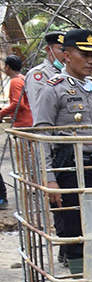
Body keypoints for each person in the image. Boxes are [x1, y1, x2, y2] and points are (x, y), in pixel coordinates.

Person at [33, 28, 92, 282]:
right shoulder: (53, 88)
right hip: (69, 170)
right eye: (85, 54)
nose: (91, 60)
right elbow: (42, 135)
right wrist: (49, 178)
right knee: (73, 230)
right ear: (67, 55)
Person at [0, 55, 32, 208]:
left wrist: (1, 113)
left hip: (22, 123)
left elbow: (17, 103)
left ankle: (30, 184)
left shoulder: (15, 81)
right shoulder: (24, 79)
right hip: (29, 122)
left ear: (7, 67)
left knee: (25, 157)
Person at [25, 32, 64, 117]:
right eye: (62, 49)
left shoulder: (67, 73)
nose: (65, 54)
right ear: (48, 50)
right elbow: (39, 109)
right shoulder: (39, 74)